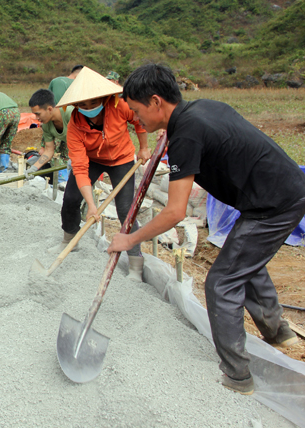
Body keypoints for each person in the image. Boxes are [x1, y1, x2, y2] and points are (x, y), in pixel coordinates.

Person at [108, 63, 305, 395]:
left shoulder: (186, 133)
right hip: (276, 191)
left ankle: (237, 375)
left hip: (273, 204)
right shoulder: (198, 112)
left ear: (157, 102)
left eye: (138, 111)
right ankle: (277, 332)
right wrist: (168, 133)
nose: (136, 120)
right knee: (243, 260)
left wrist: (130, 238)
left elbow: (173, 213)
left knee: (221, 283)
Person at [55, 67, 149, 279]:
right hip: (93, 160)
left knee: (126, 209)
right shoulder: (76, 126)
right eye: (82, 104)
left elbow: (139, 121)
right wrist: (91, 205)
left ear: (103, 98)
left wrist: (143, 147)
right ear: (75, 105)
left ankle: (135, 265)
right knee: (71, 197)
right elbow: (79, 167)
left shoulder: (120, 106)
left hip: (121, 159)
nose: (88, 107)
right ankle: (69, 240)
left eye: (93, 102)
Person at [26, 89, 71, 182]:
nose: (36, 118)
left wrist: (78, 157)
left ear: (49, 109)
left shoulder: (70, 114)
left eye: (38, 114)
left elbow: (88, 137)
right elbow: (49, 150)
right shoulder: (47, 125)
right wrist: (34, 168)